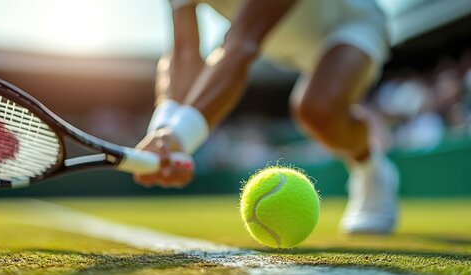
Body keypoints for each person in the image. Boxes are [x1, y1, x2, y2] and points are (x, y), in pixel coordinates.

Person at [134, 0, 399, 234]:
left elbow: (243, 41)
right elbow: (184, 50)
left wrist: (180, 138)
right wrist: (162, 129)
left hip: (350, 23)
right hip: (286, 44)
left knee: (316, 112)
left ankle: (371, 167)